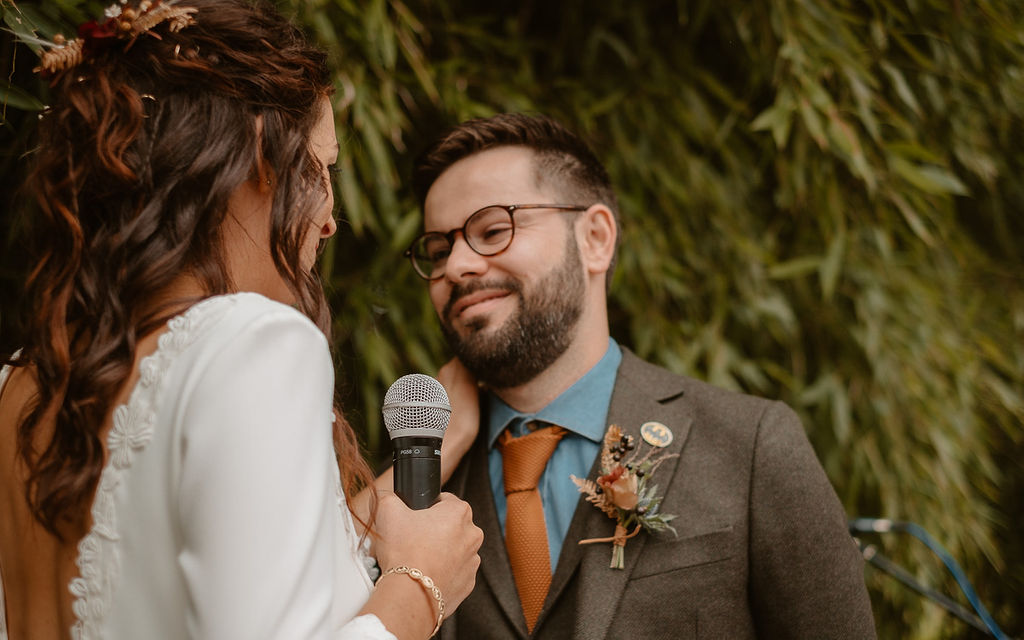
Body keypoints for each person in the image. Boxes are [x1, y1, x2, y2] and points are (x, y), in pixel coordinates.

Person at [0, 1, 481, 639]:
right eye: (324, 168)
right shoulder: (255, 345)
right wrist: (421, 585)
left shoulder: (22, 384)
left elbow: (231, 545)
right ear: (261, 156)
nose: (333, 219)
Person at [404, 112, 877, 639]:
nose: (457, 266)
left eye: (492, 230)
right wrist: (434, 455)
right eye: (438, 250)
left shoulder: (752, 447)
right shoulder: (419, 471)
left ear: (596, 239)